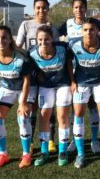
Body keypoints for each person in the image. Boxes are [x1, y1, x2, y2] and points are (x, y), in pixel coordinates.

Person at [58, 0, 100, 154]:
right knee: (75, 107)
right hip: (73, 70)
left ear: (86, 9)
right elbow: (57, 41)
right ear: (72, 9)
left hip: (91, 70)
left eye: (82, 7)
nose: (79, 10)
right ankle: (74, 139)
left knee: (92, 105)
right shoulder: (67, 24)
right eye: (76, 7)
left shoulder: (95, 23)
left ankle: (94, 139)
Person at [16, 0, 60, 153]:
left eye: (44, 7)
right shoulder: (26, 25)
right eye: (38, 8)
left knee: (48, 107)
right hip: (31, 73)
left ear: (48, 9)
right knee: (31, 107)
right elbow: (19, 47)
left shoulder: (52, 27)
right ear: (34, 9)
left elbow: (56, 49)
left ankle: (50, 141)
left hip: (48, 72)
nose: (41, 10)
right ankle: (32, 141)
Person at [0, 25, 35, 168]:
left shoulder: (21, 58)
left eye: (4, 37)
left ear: (9, 39)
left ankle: (26, 154)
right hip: (7, 88)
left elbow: (27, 80)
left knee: (23, 116)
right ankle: (3, 154)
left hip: (25, 89)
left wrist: (23, 103)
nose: (0, 41)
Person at [68, 18, 100, 168]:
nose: (89, 32)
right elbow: (68, 62)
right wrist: (73, 81)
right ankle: (81, 154)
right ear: (81, 31)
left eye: (92, 29)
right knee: (78, 114)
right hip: (81, 83)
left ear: (97, 31)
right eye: (86, 30)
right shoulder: (74, 44)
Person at [29, 25, 71, 167]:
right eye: (40, 40)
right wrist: (37, 74)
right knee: (44, 115)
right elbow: (29, 67)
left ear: (52, 39)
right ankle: (44, 151)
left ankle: (63, 151)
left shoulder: (62, 48)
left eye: (46, 39)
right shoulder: (33, 53)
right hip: (46, 86)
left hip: (63, 85)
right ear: (36, 40)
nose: (43, 42)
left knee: (62, 116)